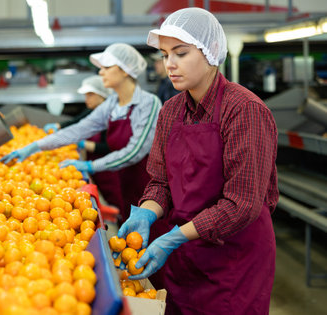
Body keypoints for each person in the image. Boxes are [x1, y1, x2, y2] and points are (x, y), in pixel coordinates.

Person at [117, 8, 278, 314]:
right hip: (186, 255)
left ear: (211, 52)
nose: (170, 64)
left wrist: (174, 237)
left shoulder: (244, 110)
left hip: (235, 260)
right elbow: (161, 182)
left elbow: (241, 204)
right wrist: (147, 214)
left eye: (180, 53)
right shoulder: (171, 111)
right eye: (165, 55)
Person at [2, 43, 162, 222]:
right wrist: (35, 146)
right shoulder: (112, 104)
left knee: (152, 230)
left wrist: (91, 166)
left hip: (150, 187)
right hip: (125, 181)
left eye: (107, 68)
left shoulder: (149, 104)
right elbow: (80, 129)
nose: (101, 72)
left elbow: (134, 152)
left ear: (125, 71)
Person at [44, 75, 125, 212]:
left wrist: (82, 144)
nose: (86, 99)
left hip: (109, 169)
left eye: (90, 95)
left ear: (102, 95)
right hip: (95, 167)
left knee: (117, 201)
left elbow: (109, 148)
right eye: (86, 95)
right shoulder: (93, 110)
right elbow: (76, 122)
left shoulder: (111, 115)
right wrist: (58, 126)